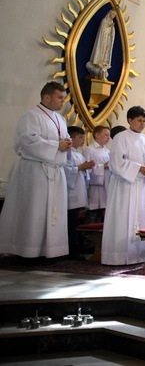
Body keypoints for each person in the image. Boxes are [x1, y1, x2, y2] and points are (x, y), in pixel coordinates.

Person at [0, 82, 72, 260]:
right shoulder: (31, 116)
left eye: (64, 98)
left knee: (54, 212)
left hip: (55, 170)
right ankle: (28, 251)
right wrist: (57, 145)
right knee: (35, 211)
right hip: (35, 171)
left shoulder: (60, 119)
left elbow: (62, 139)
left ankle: (50, 251)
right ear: (47, 97)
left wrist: (67, 143)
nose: (63, 102)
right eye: (60, 97)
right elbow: (28, 141)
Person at [101, 106, 145, 266]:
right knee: (123, 218)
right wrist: (138, 168)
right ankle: (118, 256)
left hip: (141, 186)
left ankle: (137, 255)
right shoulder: (121, 137)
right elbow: (116, 162)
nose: (142, 124)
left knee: (139, 218)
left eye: (144, 121)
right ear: (129, 120)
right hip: (124, 186)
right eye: (139, 120)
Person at [64, 126, 95, 260]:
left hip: (79, 190)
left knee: (75, 223)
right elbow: (65, 170)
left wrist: (86, 167)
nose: (83, 140)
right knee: (71, 224)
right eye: (80, 137)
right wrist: (81, 167)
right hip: (70, 193)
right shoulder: (67, 153)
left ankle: (77, 250)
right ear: (71, 138)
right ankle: (72, 252)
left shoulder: (78, 153)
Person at [83, 125, 110, 223]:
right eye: (106, 135)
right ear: (97, 135)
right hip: (94, 186)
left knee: (102, 214)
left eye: (109, 135)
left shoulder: (107, 151)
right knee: (93, 213)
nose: (108, 138)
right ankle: (89, 236)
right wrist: (103, 166)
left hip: (106, 185)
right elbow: (86, 169)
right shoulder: (89, 150)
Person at [86, 9, 117, 80]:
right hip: (102, 40)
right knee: (100, 52)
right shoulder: (104, 21)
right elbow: (102, 31)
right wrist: (109, 27)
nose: (113, 16)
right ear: (109, 13)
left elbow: (112, 34)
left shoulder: (111, 23)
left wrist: (112, 29)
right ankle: (96, 63)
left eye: (114, 15)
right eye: (113, 14)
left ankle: (103, 67)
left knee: (105, 55)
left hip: (107, 42)